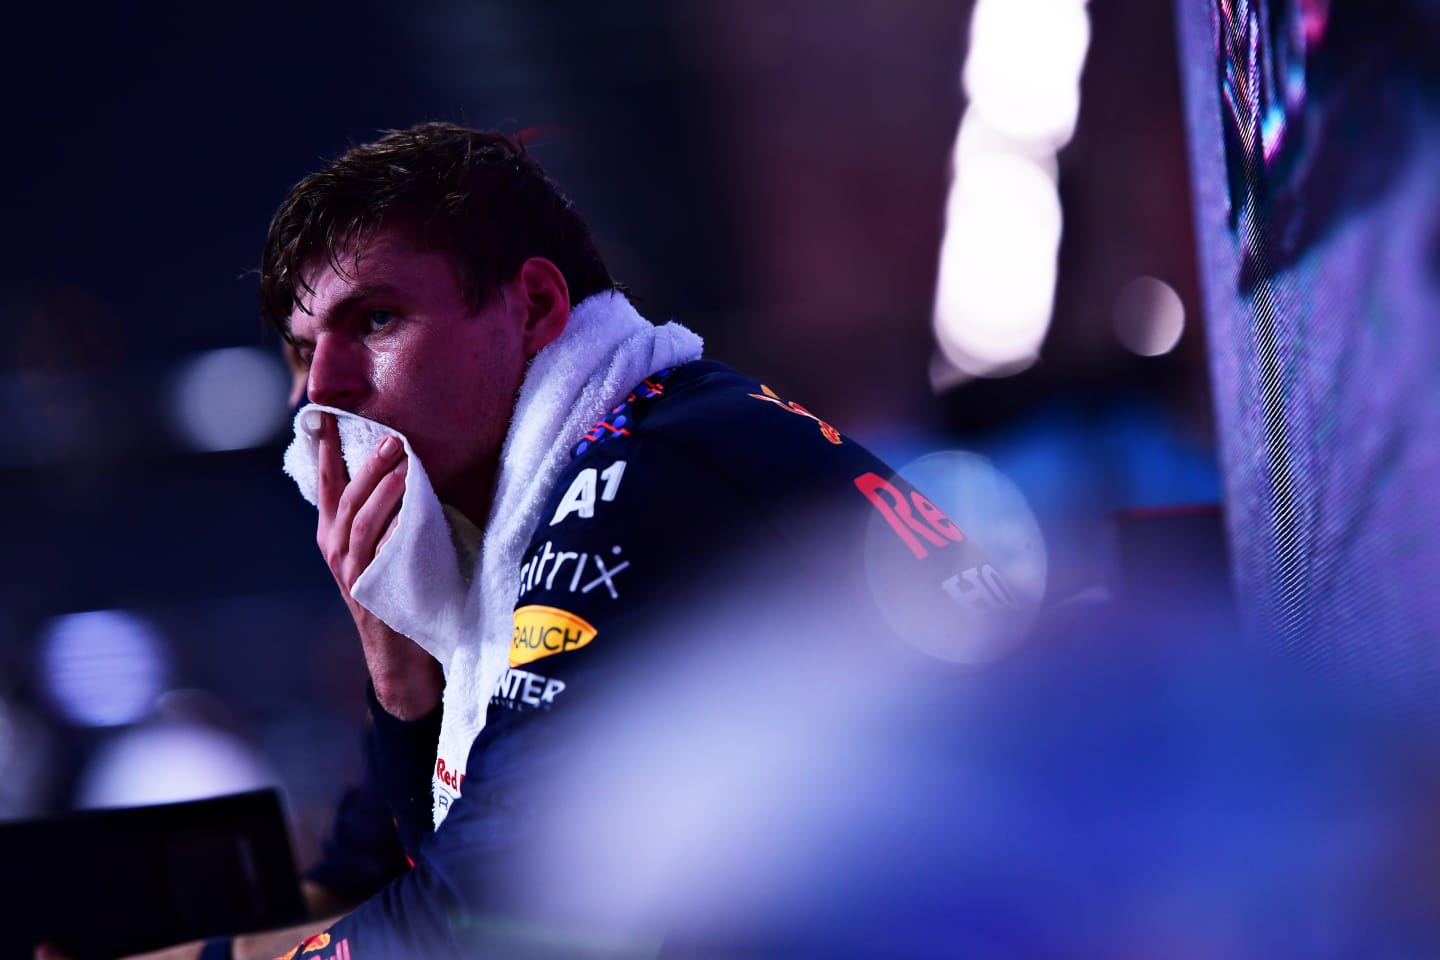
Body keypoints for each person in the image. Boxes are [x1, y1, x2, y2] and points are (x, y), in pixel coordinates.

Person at [71, 122, 1009, 960]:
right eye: (301, 349)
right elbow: (382, 874)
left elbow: (483, 922)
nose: (323, 392)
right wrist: (403, 691)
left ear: (535, 308)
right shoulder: (512, 521)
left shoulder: (633, 477)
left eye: (377, 321)